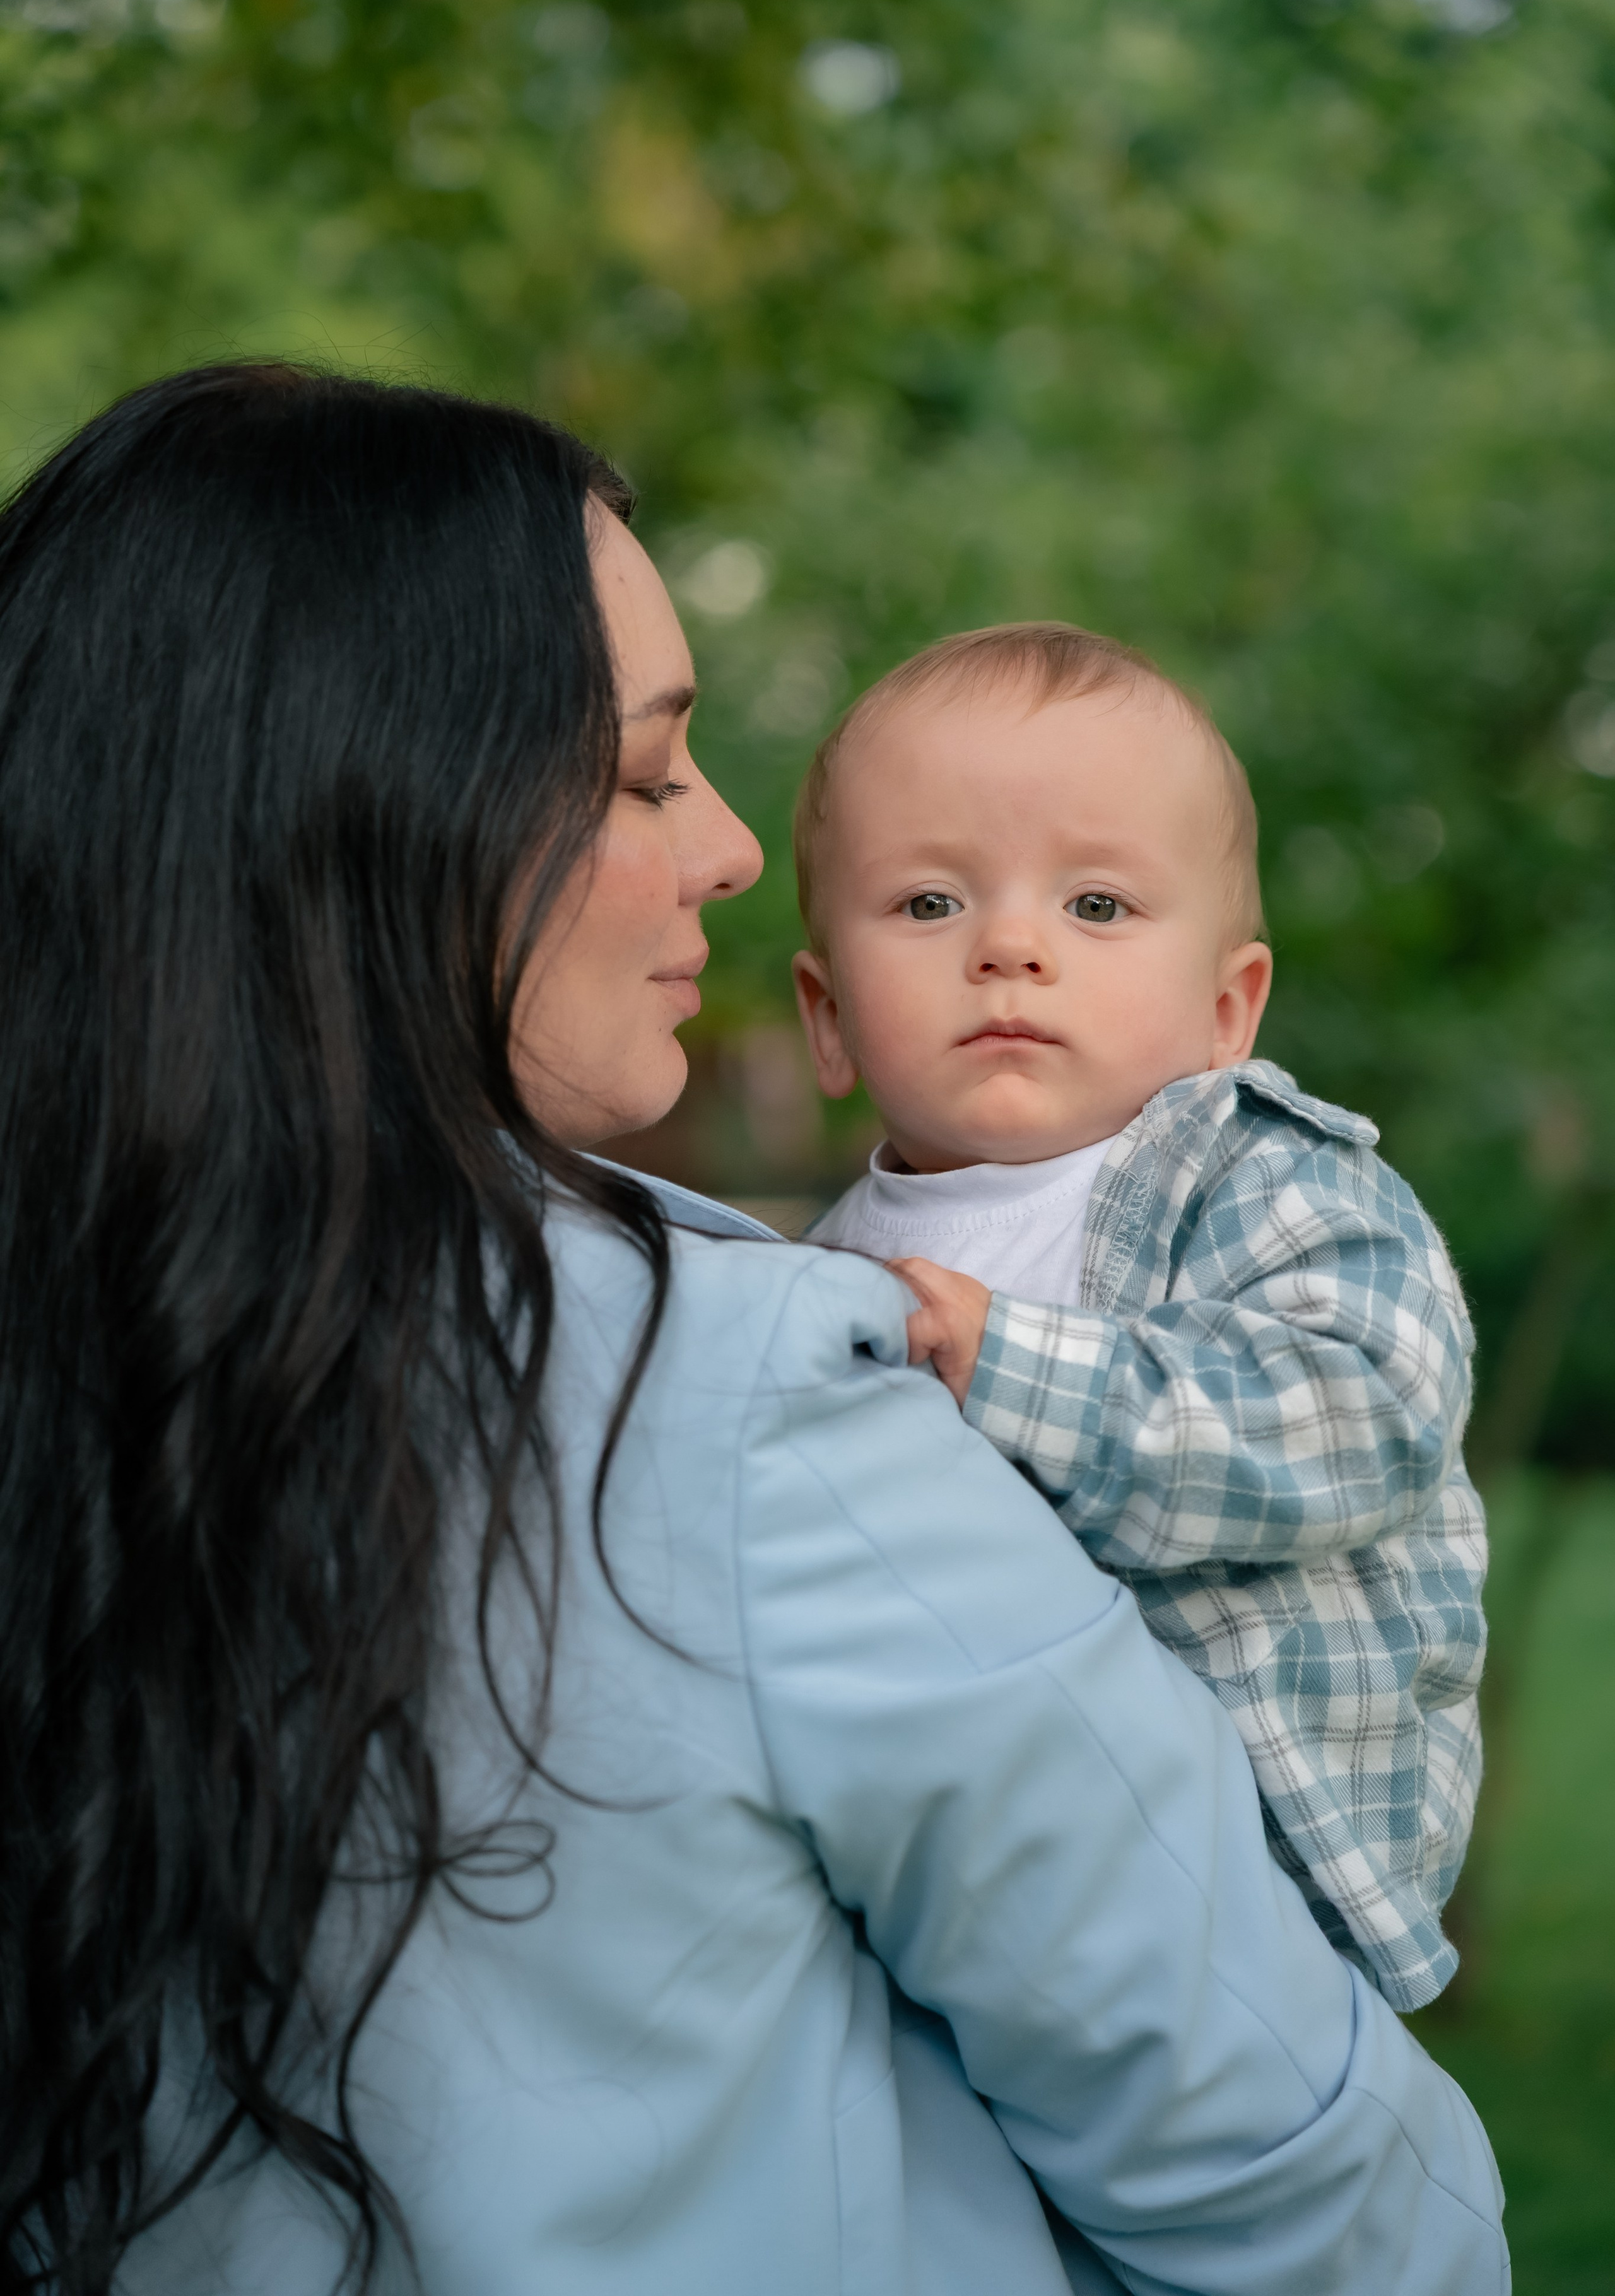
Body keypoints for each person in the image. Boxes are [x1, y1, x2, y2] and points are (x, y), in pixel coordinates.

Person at [0, 367, 1505, 2296]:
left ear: (1234, 997)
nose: (721, 844)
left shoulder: (88, 1369)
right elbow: (1324, 2197)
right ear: (375, 826)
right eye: (642, 775)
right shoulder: (737, 1392)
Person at [792, 622, 1487, 2016]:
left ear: (1226, 1008)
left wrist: (1012, 1369)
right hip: (958, 1907)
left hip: (1249, 1898)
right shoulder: (821, 1270)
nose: (1006, 948)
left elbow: (1358, 1417)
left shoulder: (1252, 1176)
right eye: (928, 905)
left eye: (1094, 907)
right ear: (825, 1018)